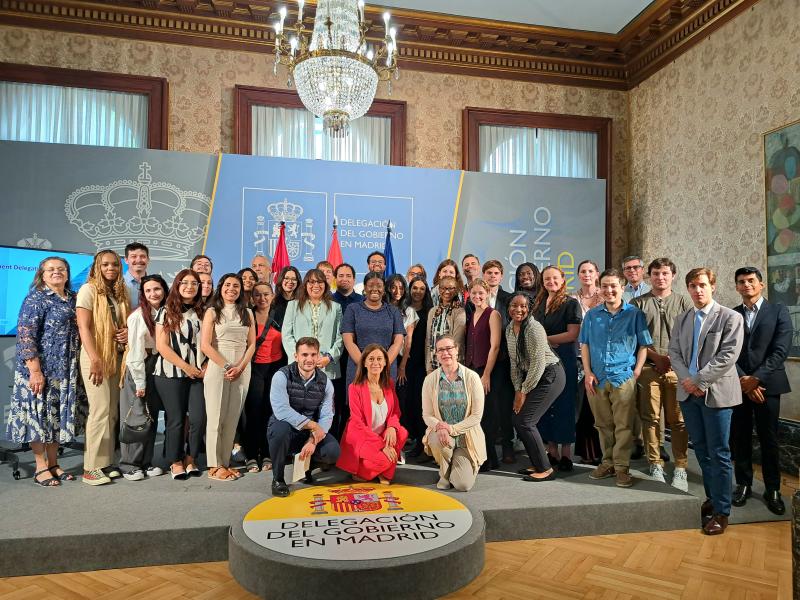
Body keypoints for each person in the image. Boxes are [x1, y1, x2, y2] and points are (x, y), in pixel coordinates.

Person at [669, 267, 744, 535]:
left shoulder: (730, 317)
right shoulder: (682, 319)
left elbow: (728, 356)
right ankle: (712, 499)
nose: (697, 290)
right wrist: (688, 380)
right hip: (689, 394)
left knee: (719, 452)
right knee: (700, 449)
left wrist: (698, 380)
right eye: (692, 286)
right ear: (687, 289)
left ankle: (722, 512)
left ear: (712, 286)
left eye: (702, 285)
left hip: (717, 395)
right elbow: (674, 352)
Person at [6, 257, 84, 486]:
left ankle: (53, 464)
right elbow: (25, 337)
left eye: (61, 269)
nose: (56, 272)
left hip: (65, 370)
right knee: (39, 419)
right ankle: (41, 467)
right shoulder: (35, 299)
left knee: (56, 419)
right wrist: (35, 371)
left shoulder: (73, 299)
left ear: (68, 274)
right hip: (41, 370)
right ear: (42, 274)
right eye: (51, 269)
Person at [579, 268, 651, 488]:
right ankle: (607, 462)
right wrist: (588, 372)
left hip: (623, 377)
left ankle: (622, 468)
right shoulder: (592, 315)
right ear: (600, 288)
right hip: (597, 378)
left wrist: (636, 371)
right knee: (603, 425)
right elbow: (585, 345)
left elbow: (644, 345)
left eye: (614, 286)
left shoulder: (634, 314)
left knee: (623, 426)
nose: (609, 290)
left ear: (622, 288)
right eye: (605, 286)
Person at [731, 267, 791, 515]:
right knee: (740, 438)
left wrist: (755, 380)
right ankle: (743, 484)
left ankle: (773, 489)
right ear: (736, 287)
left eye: (751, 281)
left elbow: (780, 350)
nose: (746, 285)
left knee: (769, 440)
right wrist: (743, 380)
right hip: (737, 385)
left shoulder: (778, 311)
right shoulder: (731, 314)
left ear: (761, 284)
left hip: (768, 385)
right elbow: (726, 352)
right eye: (741, 282)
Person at [631, 258, 692, 490]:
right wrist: (657, 359)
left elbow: (690, 337)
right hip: (648, 368)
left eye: (665, 273)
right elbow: (636, 336)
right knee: (651, 418)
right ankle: (655, 463)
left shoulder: (685, 302)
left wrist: (671, 361)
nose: (660, 278)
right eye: (656, 273)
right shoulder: (638, 303)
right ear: (649, 276)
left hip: (678, 370)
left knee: (678, 420)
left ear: (673, 275)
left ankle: (680, 467)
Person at [76, 249, 130, 485]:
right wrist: (95, 358)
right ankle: (91, 468)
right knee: (99, 410)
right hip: (94, 357)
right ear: (97, 267)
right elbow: (83, 327)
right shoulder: (88, 290)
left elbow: (123, 322)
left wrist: (125, 333)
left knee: (112, 412)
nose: (111, 269)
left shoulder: (119, 292)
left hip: (115, 357)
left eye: (115, 265)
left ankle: (106, 462)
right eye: (105, 265)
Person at [268, 337, 341, 497]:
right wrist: (313, 425)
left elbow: (328, 415)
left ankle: (306, 467)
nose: (309, 359)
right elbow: (282, 410)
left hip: (308, 431)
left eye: (313, 355)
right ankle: (278, 479)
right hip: (285, 427)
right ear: (296, 356)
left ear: (318, 356)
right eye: (304, 354)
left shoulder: (325, 382)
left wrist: (313, 439)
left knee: (332, 451)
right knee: (280, 431)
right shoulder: (281, 376)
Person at [201, 273, 255, 481]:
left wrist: (240, 367)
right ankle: (214, 465)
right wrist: (226, 365)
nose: (232, 288)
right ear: (221, 287)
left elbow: (252, 344)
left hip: (242, 367)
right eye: (228, 285)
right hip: (218, 365)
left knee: (232, 418)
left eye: (236, 286)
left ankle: (225, 462)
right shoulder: (212, 312)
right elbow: (205, 345)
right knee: (215, 417)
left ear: (241, 290)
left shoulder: (247, 313)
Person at [507, 293, 566, 482]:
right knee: (517, 419)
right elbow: (515, 363)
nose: (518, 309)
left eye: (523, 306)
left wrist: (523, 391)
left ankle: (545, 469)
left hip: (550, 374)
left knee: (526, 420)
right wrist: (518, 390)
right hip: (534, 377)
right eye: (514, 305)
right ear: (508, 307)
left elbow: (538, 364)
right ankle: (537, 462)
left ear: (529, 308)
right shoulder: (509, 329)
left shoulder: (534, 328)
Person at [153, 268, 206, 481]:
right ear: (177, 285)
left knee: (198, 418)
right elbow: (162, 346)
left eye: (194, 283)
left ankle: (191, 458)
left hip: (199, 374)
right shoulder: (166, 311)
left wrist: (205, 366)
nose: (189, 287)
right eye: (185, 283)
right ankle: (175, 461)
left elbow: (211, 342)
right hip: (170, 373)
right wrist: (186, 366)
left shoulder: (205, 312)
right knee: (175, 419)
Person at [118, 274, 169, 481]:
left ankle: (146, 462)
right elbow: (135, 353)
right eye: (148, 290)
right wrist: (140, 382)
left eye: (156, 289)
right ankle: (129, 464)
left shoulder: (166, 312)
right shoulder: (138, 316)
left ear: (164, 290)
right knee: (135, 416)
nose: (153, 294)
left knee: (150, 416)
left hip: (157, 365)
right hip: (138, 368)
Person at [422, 334, 486, 491]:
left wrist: (451, 429)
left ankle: (465, 464)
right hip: (442, 436)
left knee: (462, 485)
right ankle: (444, 473)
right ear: (436, 354)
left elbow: (476, 416)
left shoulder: (472, 377)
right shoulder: (430, 380)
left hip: (466, 438)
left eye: (449, 348)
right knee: (437, 440)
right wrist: (440, 427)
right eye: (440, 350)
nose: (445, 353)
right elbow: (427, 415)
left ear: (457, 350)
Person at [532, 266, 581, 471]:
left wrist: (543, 340)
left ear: (562, 280)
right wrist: (546, 343)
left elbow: (571, 335)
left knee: (565, 404)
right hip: (543, 361)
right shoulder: (538, 304)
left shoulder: (571, 303)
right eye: (546, 279)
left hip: (565, 361)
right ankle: (551, 450)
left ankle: (566, 453)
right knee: (547, 405)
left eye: (554, 278)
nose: (550, 282)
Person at [337, 344, 408, 484]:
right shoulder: (354, 388)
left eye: (379, 359)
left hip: (383, 435)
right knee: (381, 460)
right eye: (371, 359)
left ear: (385, 362)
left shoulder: (389, 384)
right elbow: (357, 423)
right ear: (364, 363)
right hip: (363, 438)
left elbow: (395, 412)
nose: (375, 363)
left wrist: (392, 427)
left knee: (402, 432)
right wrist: (383, 445)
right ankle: (376, 471)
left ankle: (382, 472)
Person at [243, 282, 283, 472]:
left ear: (273, 295)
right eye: (257, 295)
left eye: (266, 294)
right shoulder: (246, 315)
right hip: (253, 368)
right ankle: (251, 454)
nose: (262, 298)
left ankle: (267, 452)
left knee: (270, 411)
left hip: (275, 368)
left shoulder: (281, 314)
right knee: (253, 412)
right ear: (252, 298)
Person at [341, 272, 405, 388]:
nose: (375, 289)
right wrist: (365, 365)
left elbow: (398, 342)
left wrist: (382, 365)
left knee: (384, 404)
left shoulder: (394, 311)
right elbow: (348, 341)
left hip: (386, 368)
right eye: (370, 285)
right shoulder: (353, 309)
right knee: (359, 404)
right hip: (358, 368)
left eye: (379, 285)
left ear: (384, 289)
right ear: (365, 288)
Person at [464, 278, 502, 471]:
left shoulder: (493, 314)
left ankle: (489, 459)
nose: (477, 296)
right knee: (475, 414)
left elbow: (495, 346)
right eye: (474, 293)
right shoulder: (472, 314)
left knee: (486, 416)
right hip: (471, 369)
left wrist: (486, 374)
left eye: (481, 293)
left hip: (485, 371)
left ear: (487, 293)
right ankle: (481, 456)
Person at [282, 269, 343, 382]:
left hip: (326, 366)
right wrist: (299, 357)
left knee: (326, 399)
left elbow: (340, 337)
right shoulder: (293, 305)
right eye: (312, 282)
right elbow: (286, 335)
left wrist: (329, 357)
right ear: (305, 285)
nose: (316, 285)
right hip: (299, 366)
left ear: (325, 285)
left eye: (320, 282)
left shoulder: (336, 307)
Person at [482, 259, 515, 463]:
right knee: (486, 405)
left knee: (504, 404)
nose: (492, 276)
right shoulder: (476, 298)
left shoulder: (508, 298)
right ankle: (488, 447)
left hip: (503, 359)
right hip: (481, 361)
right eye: (489, 273)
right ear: (483, 276)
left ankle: (508, 446)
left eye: (496, 273)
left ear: (501, 276)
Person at [572, 259, 603, 465]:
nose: (586, 274)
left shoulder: (606, 295)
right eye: (583, 271)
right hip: (576, 356)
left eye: (590, 271)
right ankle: (586, 451)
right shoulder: (572, 298)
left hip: (600, 356)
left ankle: (602, 451)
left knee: (597, 406)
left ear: (597, 273)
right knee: (581, 405)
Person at [331, 263, 363, 439]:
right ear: (335, 279)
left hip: (355, 359)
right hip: (333, 360)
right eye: (340, 275)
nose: (344, 279)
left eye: (348, 276)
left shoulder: (361, 301)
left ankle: (349, 441)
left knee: (352, 402)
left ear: (354, 279)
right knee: (333, 402)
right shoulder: (328, 300)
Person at [403, 276, 434, 459]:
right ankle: (415, 439)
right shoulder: (404, 310)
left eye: (422, 289)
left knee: (420, 403)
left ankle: (425, 443)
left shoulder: (430, 312)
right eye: (415, 288)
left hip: (424, 364)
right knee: (408, 404)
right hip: (406, 363)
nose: (418, 292)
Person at [425, 276, 466, 373]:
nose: (447, 291)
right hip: (434, 366)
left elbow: (458, 342)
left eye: (450, 288)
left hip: (452, 366)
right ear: (439, 290)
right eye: (443, 288)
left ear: (456, 290)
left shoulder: (459, 311)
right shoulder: (432, 311)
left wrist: (453, 368)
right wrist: (428, 368)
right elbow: (428, 341)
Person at [123, 242, 149, 309]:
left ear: (148, 259)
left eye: (142, 256)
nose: (138, 260)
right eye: (133, 256)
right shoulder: (118, 283)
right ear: (126, 260)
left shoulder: (155, 284)